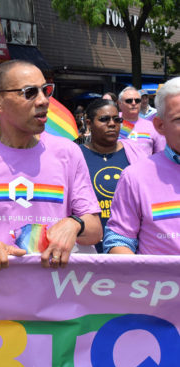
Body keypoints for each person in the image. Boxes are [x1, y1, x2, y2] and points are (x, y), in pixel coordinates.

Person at [0, 60, 102, 269]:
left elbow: (95, 230)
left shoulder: (68, 153)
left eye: (46, 90)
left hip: (54, 291)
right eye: (30, 93)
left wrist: (74, 224)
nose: (43, 101)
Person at [103, 77, 180, 255]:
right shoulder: (135, 177)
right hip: (159, 282)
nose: (133, 104)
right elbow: (119, 239)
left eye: (137, 100)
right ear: (160, 126)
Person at [79, 99, 147, 253]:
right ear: (89, 123)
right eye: (104, 119)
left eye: (117, 119)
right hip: (86, 248)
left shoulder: (137, 154)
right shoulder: (75, 155)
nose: (112, 124)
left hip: (129, 248)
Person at [117, 86, 166, 155]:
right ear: (119, 103)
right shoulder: (111, 121)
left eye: (137, 100)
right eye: (129, 101)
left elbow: (160, 156)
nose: (134, 103)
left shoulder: (152, 127)